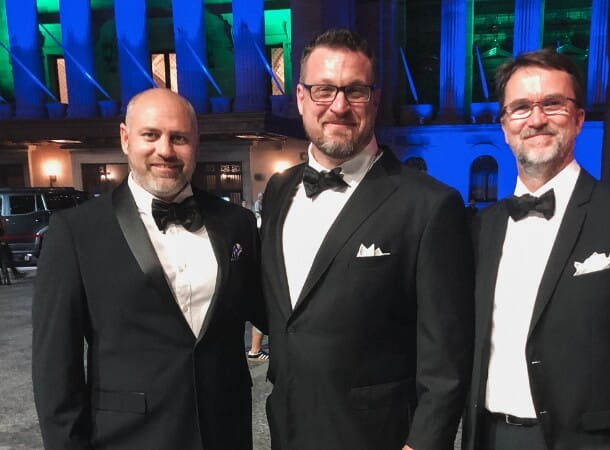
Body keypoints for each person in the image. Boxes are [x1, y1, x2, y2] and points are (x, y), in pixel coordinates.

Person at [462, 49, 610, 450]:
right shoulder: (482, 227)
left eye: (552, 104)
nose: (536, 119)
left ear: (578, 118)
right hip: (489, 437)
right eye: (520, 108)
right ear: (504, 126)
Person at [260, 29, 473, 450]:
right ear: (300, 98)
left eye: (354, 91)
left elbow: (447, 357)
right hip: (289, 431)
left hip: (379, 438)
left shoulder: (428, 205)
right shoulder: (279, 189)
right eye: (324, 90)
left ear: (374, 100)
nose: (338, 106)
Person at [32, 88, 266, 450]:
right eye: (151, 135)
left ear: (196, 143)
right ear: (125, 138)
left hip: (224, 431)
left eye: (179, 138)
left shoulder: (237, 223)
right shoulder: (76, 232)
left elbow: (271, 310)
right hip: (127, 438)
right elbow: (54, 369)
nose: (166, 150)